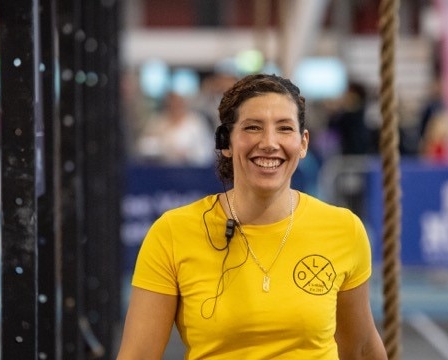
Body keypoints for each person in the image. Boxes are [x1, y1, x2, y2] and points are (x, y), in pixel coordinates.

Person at [116, 74, 387, 359]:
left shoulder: (344, 230)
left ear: (303, 142)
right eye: (253, 127)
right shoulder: (172, 233)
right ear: (226, 142)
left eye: (284, 128)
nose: (269, 142)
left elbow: (361, 348)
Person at [136, 91, 215, 166]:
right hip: (162, 170)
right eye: (171, 103)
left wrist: (188, 155)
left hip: (191, 170)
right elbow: (145, 146)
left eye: (178, 103)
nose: (175, 106)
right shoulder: (157, 122)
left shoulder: (196, 122)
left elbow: (206, 151)